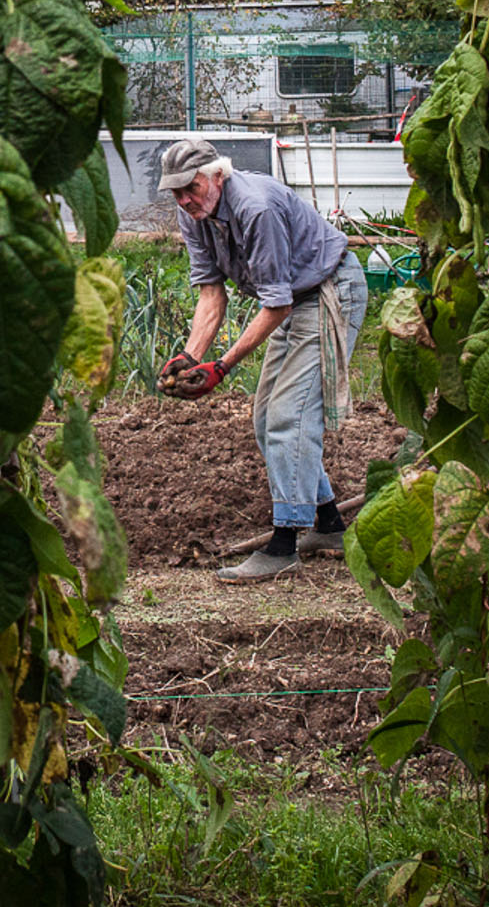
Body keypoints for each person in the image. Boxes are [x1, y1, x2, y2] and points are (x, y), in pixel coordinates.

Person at [153, 135, 369, 584]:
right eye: (175, 191)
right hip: (292, 298)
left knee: (291, 416)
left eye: (190, 187)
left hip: (330, 293)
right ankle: (328, 526)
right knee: (266, 417)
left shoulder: (256, 207)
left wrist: (223, 365)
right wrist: (190, 357)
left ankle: (284, 546)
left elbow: (277, 306)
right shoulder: (194, 214)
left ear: (217, 175)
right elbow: (212, 295)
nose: (184, 199)